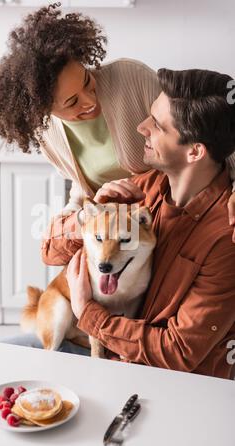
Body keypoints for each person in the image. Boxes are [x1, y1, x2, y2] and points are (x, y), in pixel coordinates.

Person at [45, 68, 235, 380]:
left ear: (195, 151)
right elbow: (49, 250)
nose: (141, 127)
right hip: (109, 352)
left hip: (159, 385)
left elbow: (179, 351)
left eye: (157, 126)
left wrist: (88, 312)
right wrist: (94, 215)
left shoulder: (224, 237)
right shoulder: (146, 188)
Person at [0, 2, 235, 234]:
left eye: (87, 80)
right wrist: (74, 219)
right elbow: (83, 188)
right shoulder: (48, 135)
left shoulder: (130, 78)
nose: (90, 101)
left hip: (166, 219)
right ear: (44, 110)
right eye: (72, 102)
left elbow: (208, 129)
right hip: (114, 230)